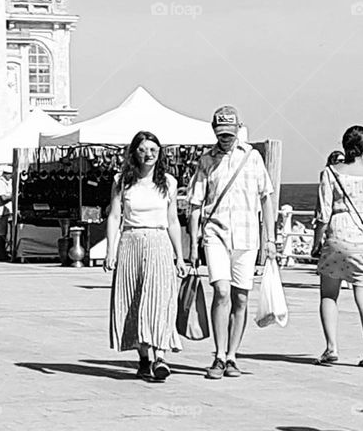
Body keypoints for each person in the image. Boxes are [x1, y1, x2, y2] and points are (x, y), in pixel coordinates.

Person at [187, 105, 276, 380]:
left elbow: (266, 198)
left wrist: (270, 239)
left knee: (240, 296)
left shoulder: (253, 157)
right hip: (216, 234)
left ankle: (232, 356)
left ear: (239, 129)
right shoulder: (206, 160)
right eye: (220, 133)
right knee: (222, 292)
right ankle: (219, 354)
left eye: (229, 133)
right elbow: (195, 204)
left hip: (247, 236)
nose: (225, 138)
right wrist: (193, 245)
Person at [105, 131, 186, 381]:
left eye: (153, 149)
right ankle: (143, 356)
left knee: (160, 298)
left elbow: (172, 220)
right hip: (130, 241)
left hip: (159, 241)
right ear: (134, 152)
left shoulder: (169, 182)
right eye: (143, 149)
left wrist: (180, 256)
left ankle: (160, 355)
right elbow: (115, 216)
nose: (148, 154)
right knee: (134, 300)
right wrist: (111, 250)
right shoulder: (122, 181)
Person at [311, 125, 363, 368]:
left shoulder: (331, 173)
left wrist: (316, 243)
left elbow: (323, 215)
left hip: (338, 235)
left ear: (344, 145)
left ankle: (331, 348)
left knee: (329, 294)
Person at [0, 165, 14, 261]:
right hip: (1, 210)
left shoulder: (8, 182)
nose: (11, 176)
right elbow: (3, 198)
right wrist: (14, 196)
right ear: (5, 174)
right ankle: (0, 254)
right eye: (10, 174)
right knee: (1, 233)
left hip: (6, 211)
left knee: (5, 233)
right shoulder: (0, 183)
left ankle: (4, 252)